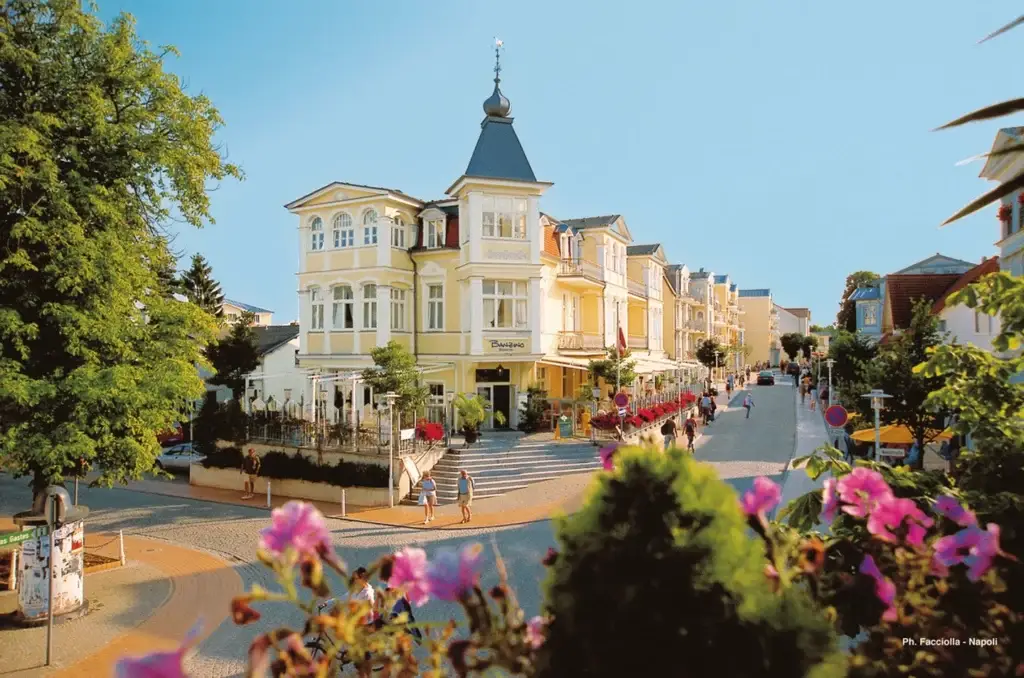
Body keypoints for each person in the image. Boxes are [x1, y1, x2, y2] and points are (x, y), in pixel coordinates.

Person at [376, 557, 423, 641]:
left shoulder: (399, 578)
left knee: (407, 619)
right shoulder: (391, 580)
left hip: (399, 602)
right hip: (394, 603)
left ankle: (416, 638)